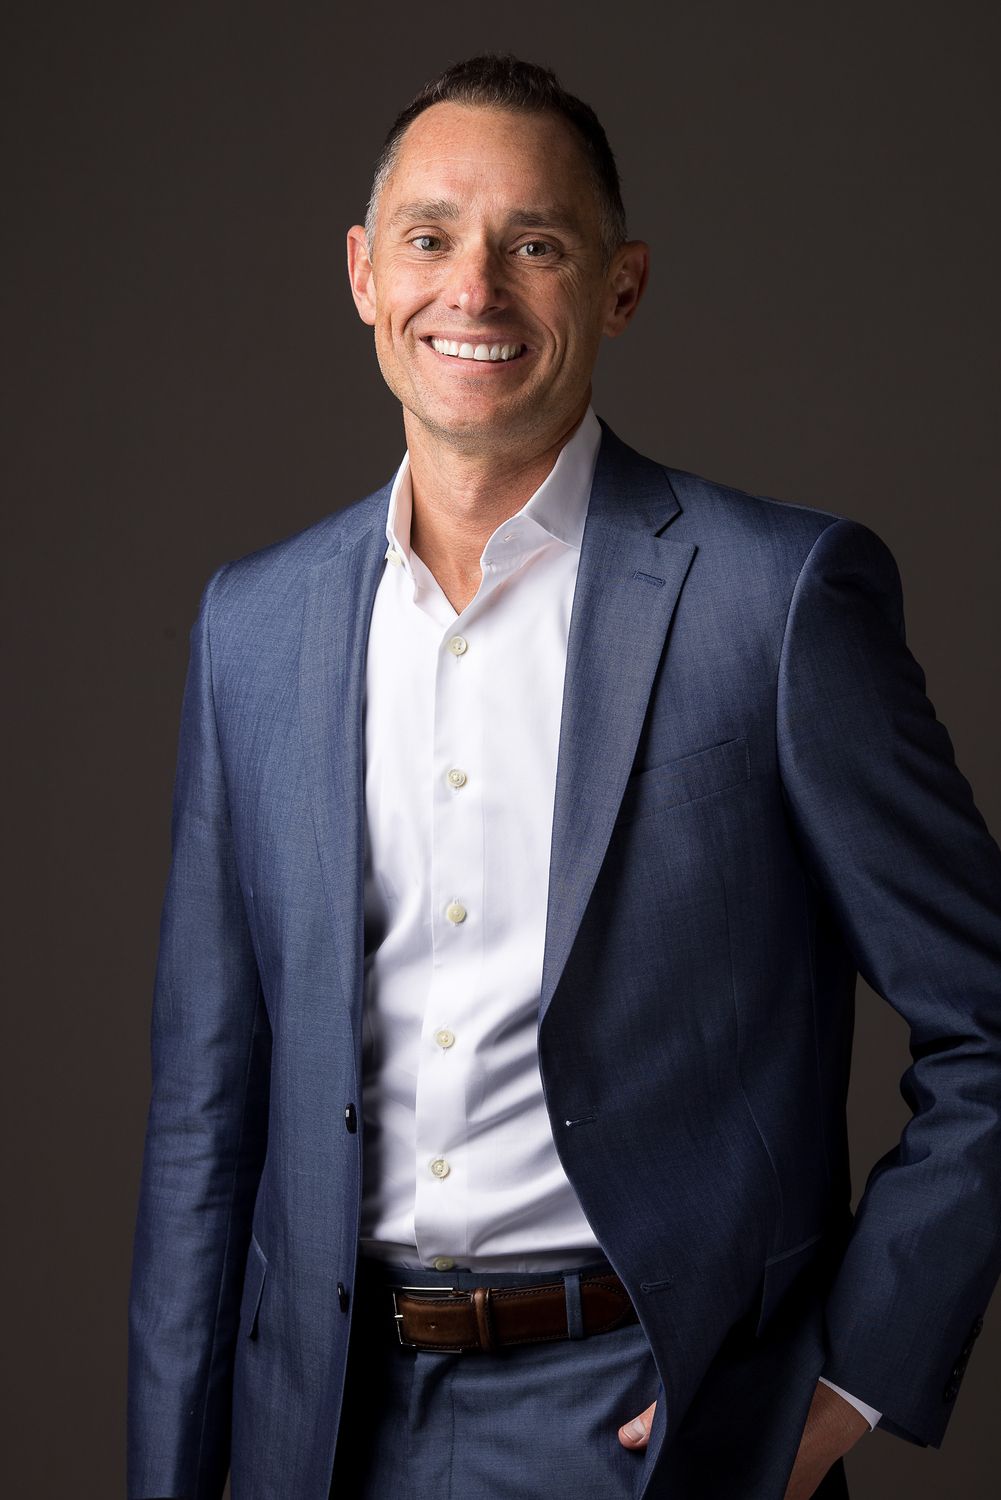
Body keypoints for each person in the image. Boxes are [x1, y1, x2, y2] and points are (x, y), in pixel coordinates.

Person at [126, 53, 1001, 1500]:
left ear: (619, 285)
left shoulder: (773, 602)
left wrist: (847, 1381)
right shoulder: (253, 627)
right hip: (316, 1430)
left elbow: (984, 1021)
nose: (470, 288)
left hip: (643, 1427)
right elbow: (200, 1124)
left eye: (533, 243)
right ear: (361, 272)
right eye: (428, 238)